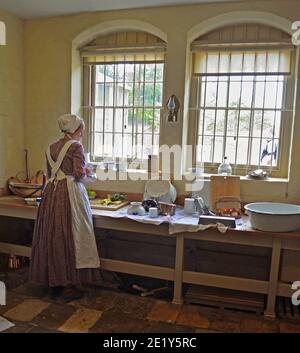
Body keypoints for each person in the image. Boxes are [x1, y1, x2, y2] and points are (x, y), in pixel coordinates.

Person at [30, 114, 100, 301]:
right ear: (74, 130)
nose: (81, 135)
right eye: (81, 131)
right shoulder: (76, 146)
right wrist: (89, 172)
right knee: (71, 233)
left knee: (53, 234)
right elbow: (78, 174)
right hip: (69, 193)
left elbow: (49, 174)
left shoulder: (50, 147)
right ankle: (68, 283)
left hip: (51, 193)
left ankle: (54, 281)